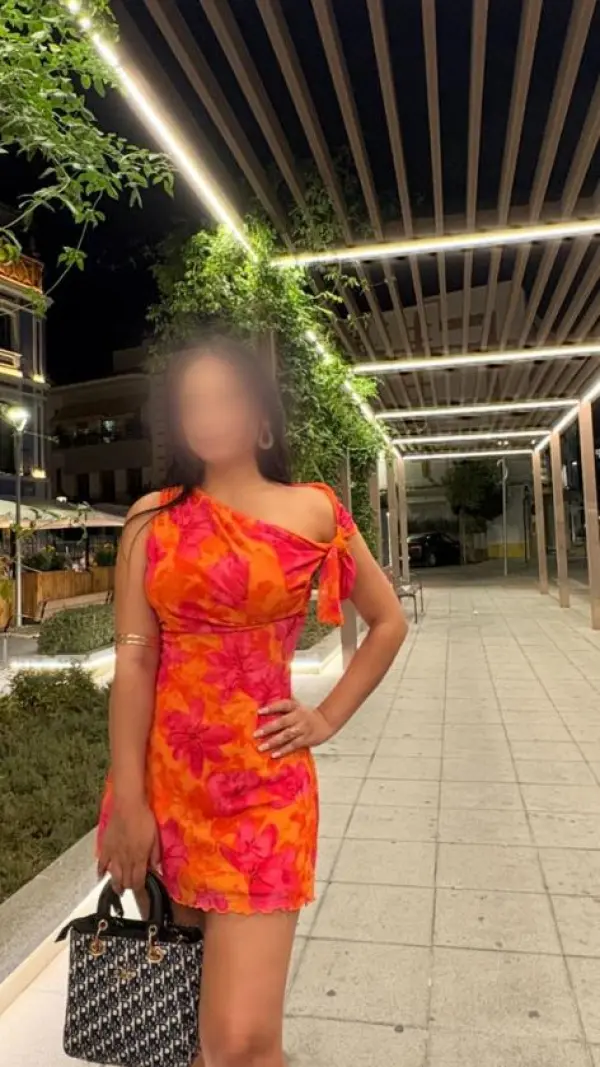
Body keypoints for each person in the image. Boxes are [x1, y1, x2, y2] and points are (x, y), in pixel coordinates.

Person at [97, 332, 408, 1067]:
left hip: (264, 793)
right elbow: (134, 663)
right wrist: (129, 799)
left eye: (226, 398)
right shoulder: (150, 520)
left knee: (241, 1039)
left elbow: (388, 621)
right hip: (167, 791)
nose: (209, 415)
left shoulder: (314, 511)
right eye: (193, 402)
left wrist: (325, 716)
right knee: (191, 1027)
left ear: (262, 414)